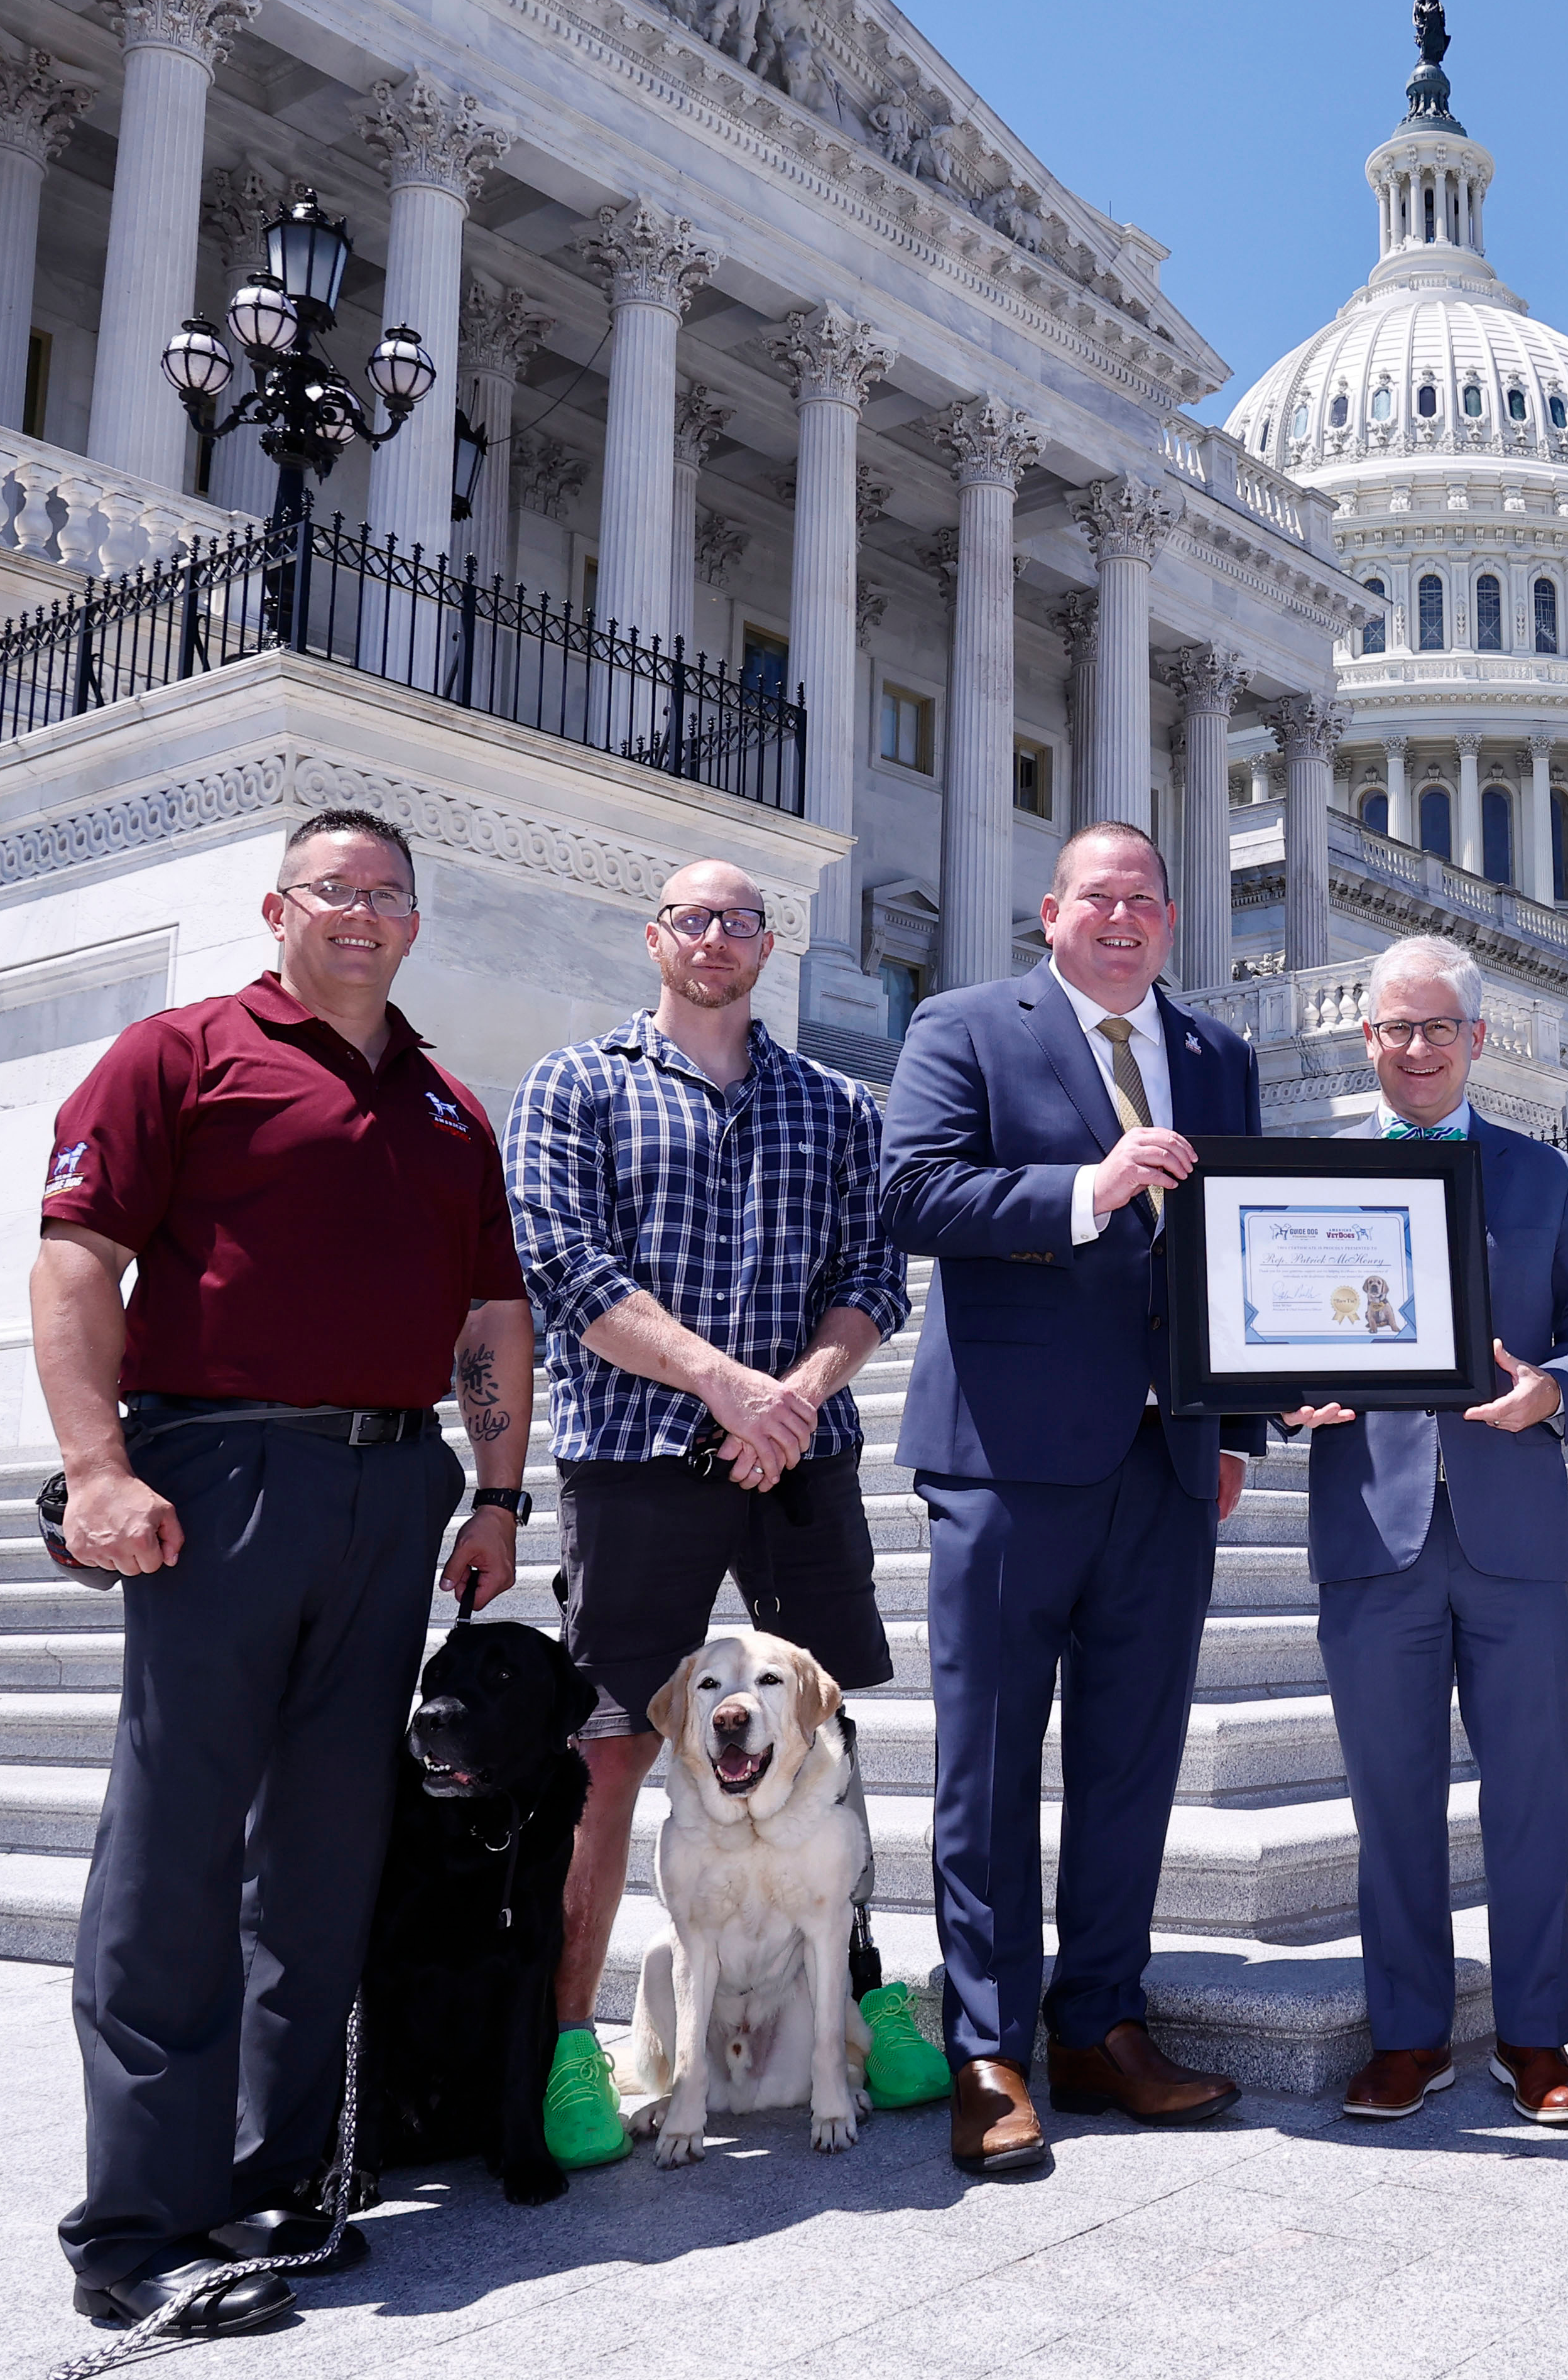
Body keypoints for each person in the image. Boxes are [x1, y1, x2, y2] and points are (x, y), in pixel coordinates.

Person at [34, 808, 532, 2337]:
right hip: (221, 1475)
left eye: (390, 892)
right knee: (175, 1848)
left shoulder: (450, 1105)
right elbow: (72, 1260)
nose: (364, 914)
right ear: (277, 907)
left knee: (323, 1855)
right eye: (337, 890)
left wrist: (500, 1489)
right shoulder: (177, 1054)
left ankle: (269, 2173)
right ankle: (137, 2225)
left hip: (395, 1488)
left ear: (415, 920)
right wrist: (100, 1465)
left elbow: (492, 1319)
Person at [504, 860, 942, 2165]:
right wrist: (727, 1385)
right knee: (609, 1750)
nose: (715, 937)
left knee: (824, 1738)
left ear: (768, 942)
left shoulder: (835, 1104)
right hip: (635, 1453)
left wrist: (795, 1397)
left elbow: (875, 1271)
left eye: (740, 920)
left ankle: (861, 1998)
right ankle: (571, 2043)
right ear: (654, 937)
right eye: (693, 918)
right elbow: (567, 1266)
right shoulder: (575, 1082)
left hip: (798, 1457)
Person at [878, 821, 1264, 2178]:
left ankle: (1101, 2023)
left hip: (1167, 1464)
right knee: (985, 1766)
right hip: (1004, 1458)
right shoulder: (964, 1025)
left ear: (1170, 919)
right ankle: (989, 2051)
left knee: (1130, 1762)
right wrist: (1086, 1191)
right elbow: (912, 1190)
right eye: (1097, 898)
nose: (1122, 919)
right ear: (1050, 911)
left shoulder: (1218, 1053)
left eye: (1144, 902)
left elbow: (1238, 1248)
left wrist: (1250, 1419)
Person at [1281, 937, 1568, 2126]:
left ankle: (1537, 2038)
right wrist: (1278, 1388)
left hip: (1513, 1531)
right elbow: (1268, 1327)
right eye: (1395, 1029)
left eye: (1438, 1029)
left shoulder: (1544, 1179)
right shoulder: (1311, 1180)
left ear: (1477, 1041)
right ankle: (1408, 2036)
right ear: (1365, 1040)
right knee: (1391, 1800)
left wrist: (1558, 1390)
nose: (1416, 1049)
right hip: (1371, 1528)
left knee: (1533, 1794)